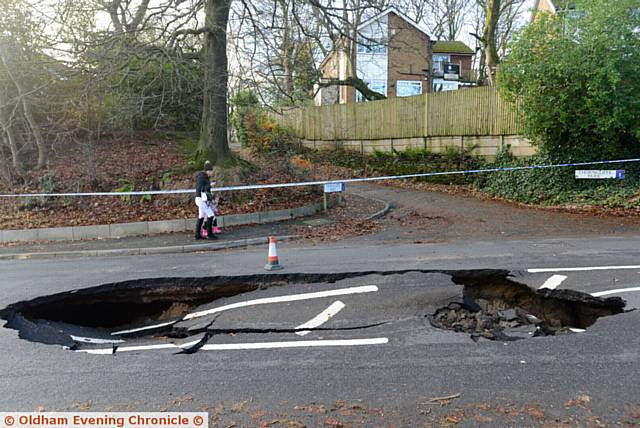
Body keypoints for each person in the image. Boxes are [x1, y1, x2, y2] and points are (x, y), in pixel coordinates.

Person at [194, 161, 218, 240]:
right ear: (208, 171)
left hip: (200, 199)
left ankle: (197, 234)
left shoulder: (202, 177)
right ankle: (209, 234)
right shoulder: (202, 177)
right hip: (201, 199)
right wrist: (210, 185)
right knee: (210, 215)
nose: (212, 173)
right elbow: (202, 188)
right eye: (211, 171)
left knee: (201, 216)